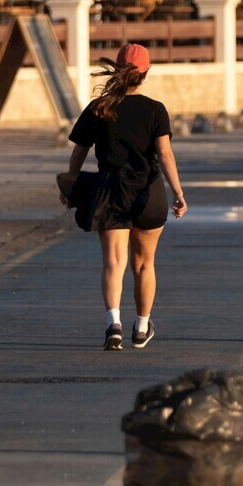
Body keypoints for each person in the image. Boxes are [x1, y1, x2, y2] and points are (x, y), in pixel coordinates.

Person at [63, 43, 186, 351]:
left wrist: (71, 182)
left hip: (110, 190)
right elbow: (165, 154)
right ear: (146, 73)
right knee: (144, 265)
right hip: (149, 192)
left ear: (118, 70)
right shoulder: (155, 109)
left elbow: (80, 150)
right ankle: (142, 327)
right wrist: (178, 193)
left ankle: (114, 325)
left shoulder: (99, 107)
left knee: (113, 263)